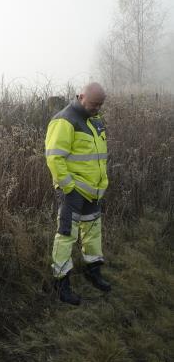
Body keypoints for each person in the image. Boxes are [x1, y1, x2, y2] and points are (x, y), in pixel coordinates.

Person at [45, 82, 112, 306]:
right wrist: (68, 187)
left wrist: (102, 182)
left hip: (93, 190)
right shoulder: (64, 119)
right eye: (94, 104)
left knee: (93, 232)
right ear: (81, 96)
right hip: (72, 192)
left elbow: (99, 157)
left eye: (100, 105)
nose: (97, 108)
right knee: (66, 236)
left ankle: (94, 271)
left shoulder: (95, 120)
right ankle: (61, 283)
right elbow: (54, 157)